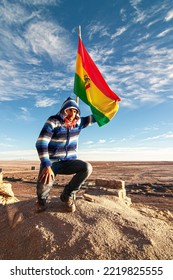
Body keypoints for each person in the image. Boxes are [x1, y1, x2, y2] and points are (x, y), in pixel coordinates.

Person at [35, 97, 96, 213]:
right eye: (69, 110)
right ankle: (41, 201)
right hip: (51, 162)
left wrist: (110, 106)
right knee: (43, 187)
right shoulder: (53, 121)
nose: (72, 113)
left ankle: (67, 195)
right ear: (64, 110)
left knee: (87, 167)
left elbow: (97, 117)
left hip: (68, 162)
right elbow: (41, 142)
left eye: (75, 111)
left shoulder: (79, 123)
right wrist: (47, 165)